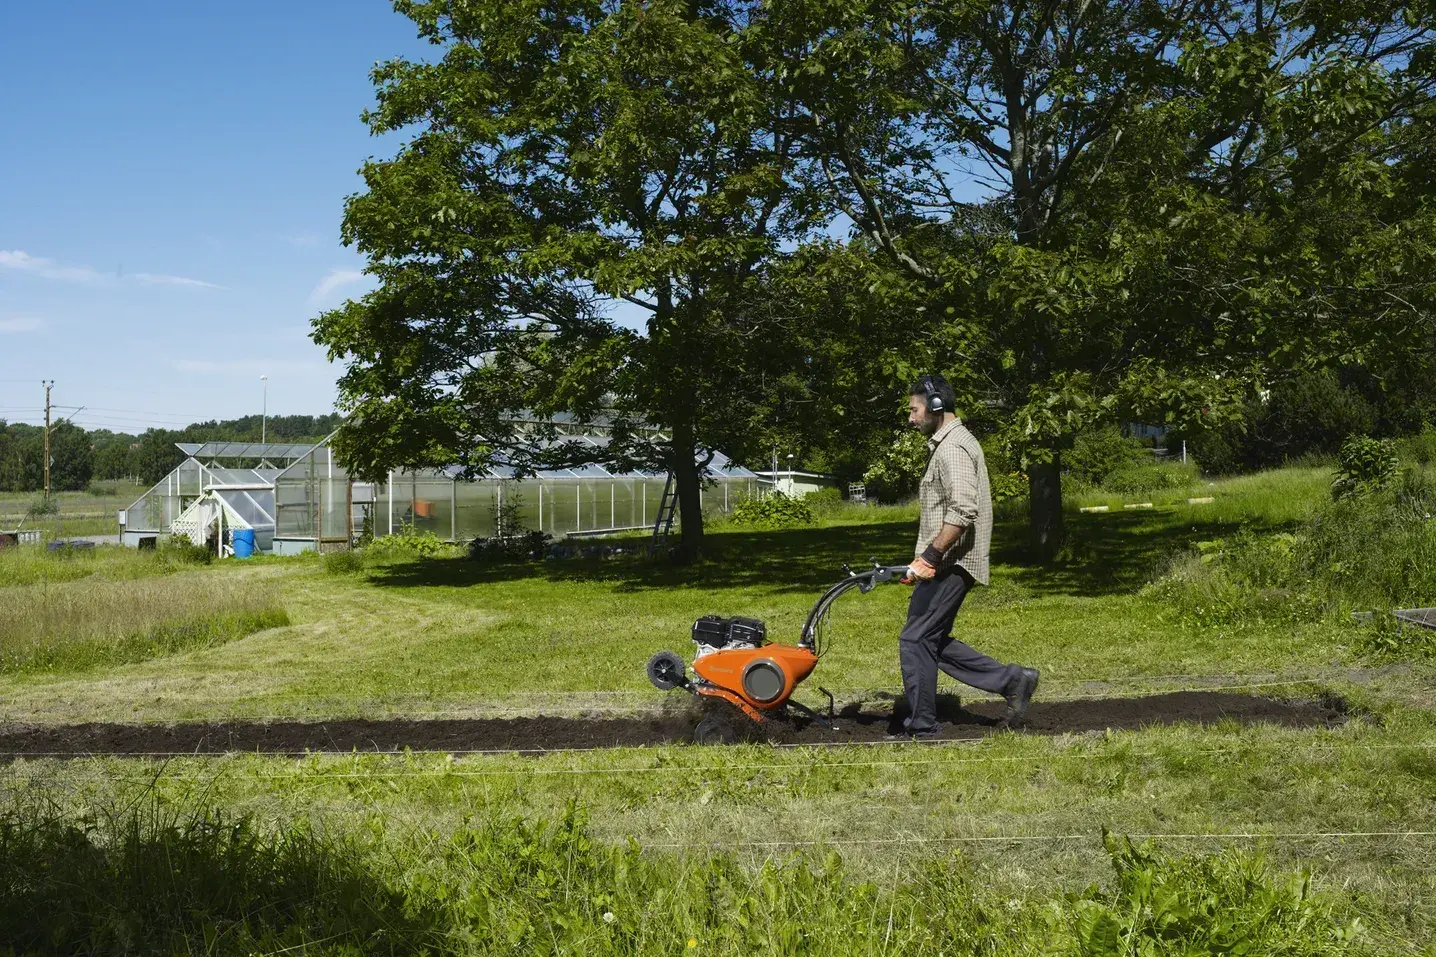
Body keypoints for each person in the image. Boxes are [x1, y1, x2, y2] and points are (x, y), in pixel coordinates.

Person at [896, 374, 1039, 736]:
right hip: (944, 561)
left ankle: (923, 725)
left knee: (915, 640)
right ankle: (1013, 681)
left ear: (936, 407)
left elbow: (962, 509)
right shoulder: (946, 444)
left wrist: (929, 558)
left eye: (914, 410)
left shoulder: (953, 447)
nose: (911, 419)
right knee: (930, 640)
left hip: (952, 562)